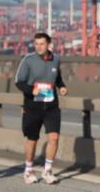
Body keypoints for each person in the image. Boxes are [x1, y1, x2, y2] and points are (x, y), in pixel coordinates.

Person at [15, 32, 67, 184]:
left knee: (54, 137)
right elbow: (19, 82)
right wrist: (31, 90)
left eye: (42, 44)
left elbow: (57, 77)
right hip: (33, 106)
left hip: (51, 105)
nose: (38, 47)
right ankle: (28, 170)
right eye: (36, 44)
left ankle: (47, 171)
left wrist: (62, 86)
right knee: (32, 140)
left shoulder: (56, 59)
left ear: (49, 44)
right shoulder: (28, 60)